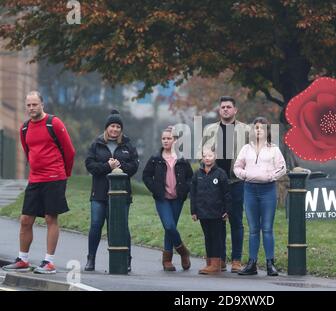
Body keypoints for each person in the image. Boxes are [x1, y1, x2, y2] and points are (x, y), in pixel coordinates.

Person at [2, 91, 75, 274]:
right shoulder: (24, 128)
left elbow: (69, 151)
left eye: (35, 104)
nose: (31, 108)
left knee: (51, 218)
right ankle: (23, 260)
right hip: (35, 179)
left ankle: (49, 262)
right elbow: (28, 152)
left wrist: (63, 175)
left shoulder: (54, 123)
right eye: (28, 105)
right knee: (25, 220)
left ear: (42, 104)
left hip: (54, 178)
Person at [84, 110, 139, 272]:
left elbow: (134, 167)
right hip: (99, 194)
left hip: (121, 195)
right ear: (107, 128)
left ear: (121, 129)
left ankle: (127, 259)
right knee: (95, 225)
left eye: (117, 127)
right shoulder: (97, 144)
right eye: (112, 126)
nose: (114, 129)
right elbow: (90, 165)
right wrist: (107, 166)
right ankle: (91, 259)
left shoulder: (128, 145)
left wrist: (119, 165)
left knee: (122, 227)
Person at [201, 96, 250, 272]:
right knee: (217, 221)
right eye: (223, 107)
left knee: (236, 220)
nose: (226, 110)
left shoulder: (246, 130)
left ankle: (236, 260)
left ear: (235, 110)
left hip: (236, 181)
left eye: (229, 107)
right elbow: (204, 155)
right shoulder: (210, 130)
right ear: (219, 110)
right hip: (216, 183)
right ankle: (219, 259)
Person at [234, 117, 286, 276]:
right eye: (256, 127)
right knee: (253, 229)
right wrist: (245, 175)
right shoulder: (246, 149)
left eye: (262, 128)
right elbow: (237, 167)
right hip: (249, 190)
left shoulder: (274, 149)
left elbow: (282, 168)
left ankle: (270, 264)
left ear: (267, 131)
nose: (258, 130)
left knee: (267, 228)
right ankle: (252, 264)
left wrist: (271, 177)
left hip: (268, 191)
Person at [142, 127, 193, 271]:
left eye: (169, 138)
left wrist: (185, 190)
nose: (165, 141)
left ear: (175, 140)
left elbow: (190, 177)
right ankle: (183, 252)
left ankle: (167, 260)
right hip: (162, 198)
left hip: (177, 199)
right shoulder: (155, 159)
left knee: (170, 229)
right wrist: (155, 189)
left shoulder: (182, 159)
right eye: (163, 138)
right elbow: (146, 176)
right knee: (169, 226)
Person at [191, 148, 232, 275]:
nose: (207, 158)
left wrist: (227, 210)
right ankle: (209, 262)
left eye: (210, 155)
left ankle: (216, 263)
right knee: (207, 237)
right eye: (205, 155)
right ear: (202, 158)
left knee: (216, 238)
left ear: (215, 156)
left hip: (217, 213)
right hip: (203, 212)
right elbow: (193, 194)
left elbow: (226, 194)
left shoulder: (220, 174)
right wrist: (194, 211)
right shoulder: (198, 174)